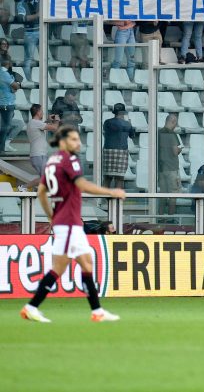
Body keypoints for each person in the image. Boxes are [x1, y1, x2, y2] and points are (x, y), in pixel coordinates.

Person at [20, 126, 124, 323]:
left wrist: (52, 215)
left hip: (66, 222)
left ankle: (97, 311)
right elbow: (82, 185)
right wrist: (111, 192)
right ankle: (31, 307)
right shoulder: (70, 160)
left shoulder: (51, 163)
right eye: (75, 139)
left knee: (85, 263)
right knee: (62, 268)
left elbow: (41, 192)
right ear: (64, 141)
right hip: (68, 223)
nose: (79, 143)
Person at [101, 103, 136, 189]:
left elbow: (106, 131)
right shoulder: (127, 124)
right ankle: (117, 201)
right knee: (120, 178)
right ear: (123, 113)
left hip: (108, 150)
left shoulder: (107, 122)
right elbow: (132, 135)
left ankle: (103, 199)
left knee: (107, 178)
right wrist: (130, 125)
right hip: (121, 150)